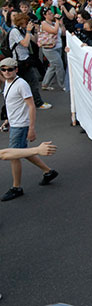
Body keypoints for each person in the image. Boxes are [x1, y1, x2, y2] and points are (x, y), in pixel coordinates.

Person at [0, 58, 59, 201]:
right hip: (14, 123)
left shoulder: (21, 84)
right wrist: (8, 120)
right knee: (22, 151)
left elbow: (31, 106)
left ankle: (16, 187)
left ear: (16, 70)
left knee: (14, 155)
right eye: (4, 70)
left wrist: (31, 128)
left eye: (10, 69)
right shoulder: (7, 83)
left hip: (20, 125)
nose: (7, 72)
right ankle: (48, 171)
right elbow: (13, 105)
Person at [9, 13, 52, 109]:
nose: (28, 23)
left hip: (26, 61)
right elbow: (25, 43)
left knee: (32, 81)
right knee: (21, 83)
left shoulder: (23, 30)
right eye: (26, 22)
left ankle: (36, 102)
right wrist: (28, 31)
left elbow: (35, 41)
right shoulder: (15, 31)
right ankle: (34, 103)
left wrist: (36, 30)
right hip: (18, 62)